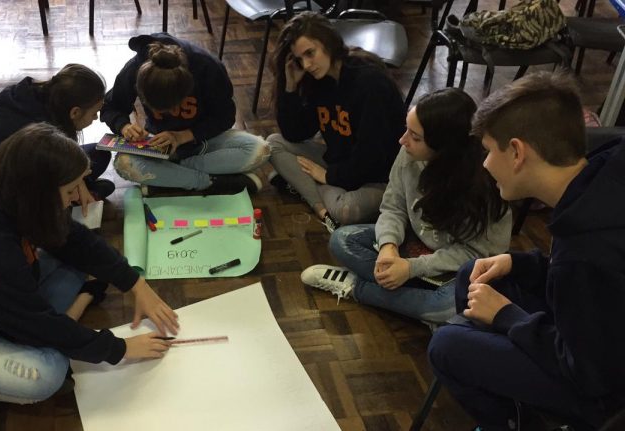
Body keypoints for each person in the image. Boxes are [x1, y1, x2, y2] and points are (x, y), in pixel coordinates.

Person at [0, 123, 180, 404]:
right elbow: (29, 319)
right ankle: (70, 316)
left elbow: (73, 238)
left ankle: (66, 318)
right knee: (47, 375)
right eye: (70, 191)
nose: (77, 199)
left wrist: (135, 284)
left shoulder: (14, 187)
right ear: (41, 193)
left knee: (76, 261)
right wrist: (119, 349)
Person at [428, 72, 625, 430]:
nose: (485, 164)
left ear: (517, 152)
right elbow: (596, 297)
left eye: (489, 151)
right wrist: (522, 264)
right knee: (473, 276)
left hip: (604, 396)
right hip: (597, 342)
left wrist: (507, 317)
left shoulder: (586, 253)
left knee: (446, 347)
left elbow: (589, 373)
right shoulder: (602, 176)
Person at [300, 88, 511, 324]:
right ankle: (413, 298)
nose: (402, 141)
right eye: (406, 129)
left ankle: (358, 288)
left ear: (444, 147)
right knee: (342, 239)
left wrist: (411, 269)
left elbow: (475, 254)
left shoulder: (483, 186)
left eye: (415, 137)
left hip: (458, 267)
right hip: (415, 244)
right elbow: (393, 206)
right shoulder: (409, 154)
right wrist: (388, 246)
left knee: (448, 307)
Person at [267, 12, 406, 232]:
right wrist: (290, 87)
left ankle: (305, 186)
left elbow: (371, 158)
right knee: (273, 144)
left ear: (328, 42)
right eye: (300, 59)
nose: (307, 64)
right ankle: (323, 210)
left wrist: (325, 176)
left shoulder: (370, 83)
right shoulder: (319, 79)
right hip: (340, 164)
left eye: (310, 53)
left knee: (346, 210)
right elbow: (294, 133)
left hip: (379, 177)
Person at [101, 33, 270, 195]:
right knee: (124, 163)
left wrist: (182, 136)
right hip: (158, 144)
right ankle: (209, 182)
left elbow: (225, 116)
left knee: (259, 149)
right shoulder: (135, 68)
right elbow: (110, 106)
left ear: (187, 89)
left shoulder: (208, 67)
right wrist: (124, 126)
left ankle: (170, 178)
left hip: (204, 140)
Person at [0, 63, 115, 211]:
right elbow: (36, 179)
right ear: (75, 112)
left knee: (98, 153)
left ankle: (75, 194)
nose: (96, 118)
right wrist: (77, 182)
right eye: (94, 113)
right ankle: (73, 199)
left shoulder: (45, 99)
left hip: (9, 167)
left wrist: (78, 182)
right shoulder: (37, 134)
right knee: (79, 180)